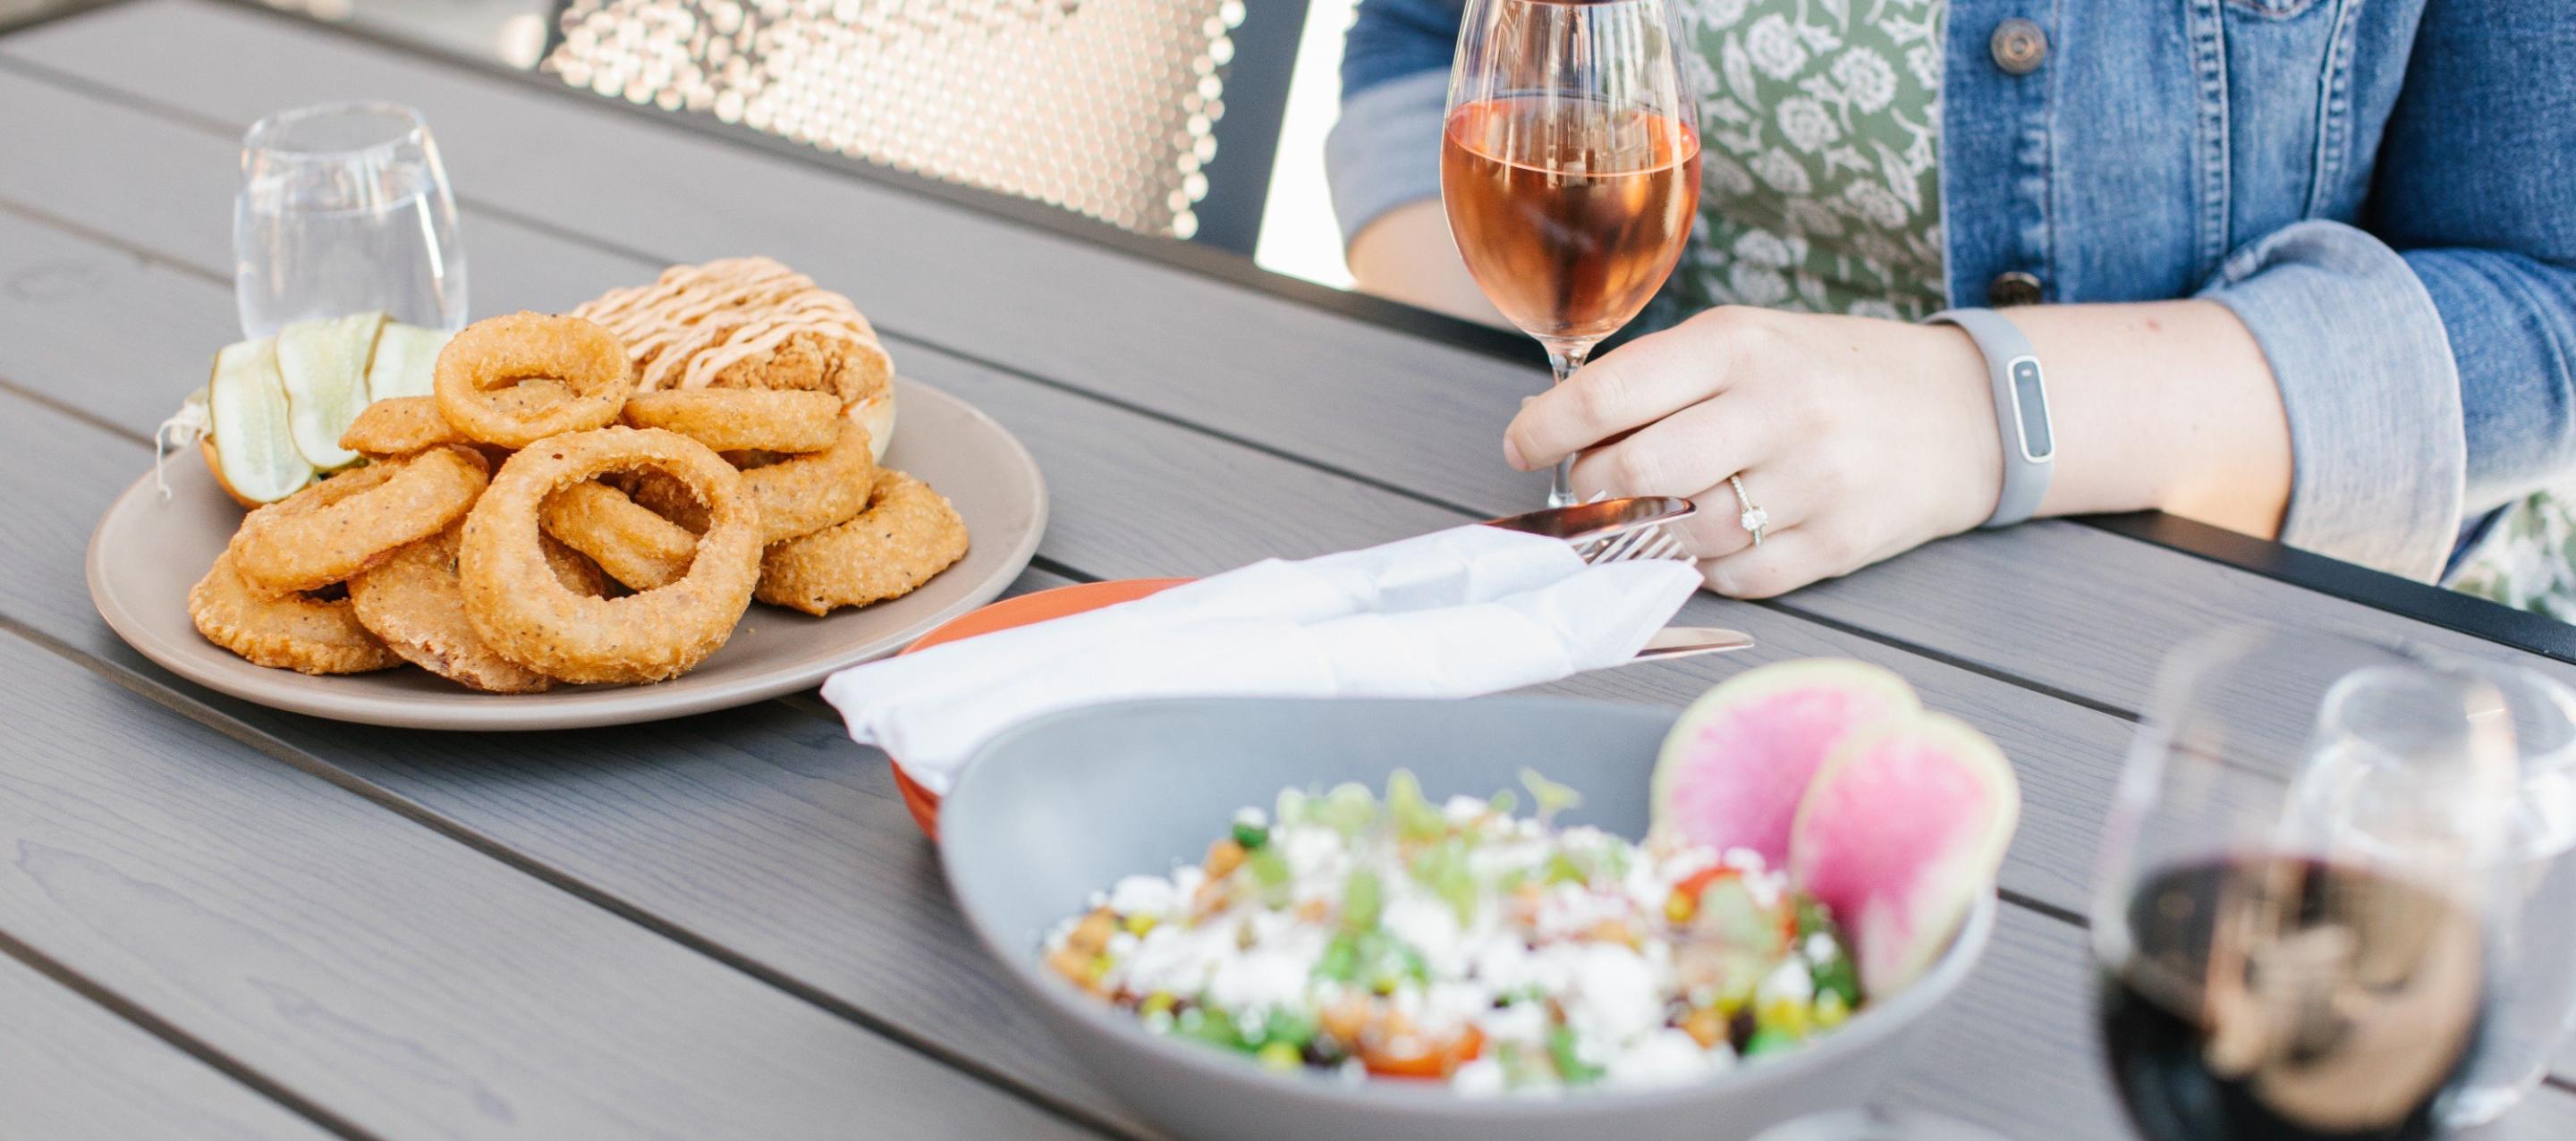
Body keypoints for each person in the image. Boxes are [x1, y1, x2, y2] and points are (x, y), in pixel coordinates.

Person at [1326, 0, 2576, 605]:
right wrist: (1560, 414)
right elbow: (1425, 43)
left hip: (2215, 644)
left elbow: (2544, 305)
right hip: (1687, 585)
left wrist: (1975, 414)